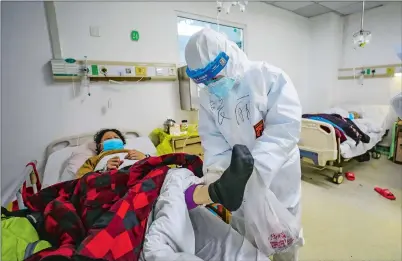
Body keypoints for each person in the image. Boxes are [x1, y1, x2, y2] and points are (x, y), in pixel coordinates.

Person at [184, 28, 303, 260]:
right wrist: (220, 178)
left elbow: (284, 130)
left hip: (276, 173)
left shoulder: (269, 77)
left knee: (283, 234)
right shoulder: (209, 96)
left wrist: (253, 170)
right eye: (204, 80)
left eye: (214, 75)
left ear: (229, 58)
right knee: (243, 234)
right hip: (237, 179)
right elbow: (214, 141)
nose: (212, 84)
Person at [76, 128, 149, 178]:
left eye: (116, 138)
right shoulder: (94, 159)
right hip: (114, 180)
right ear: (100, 146)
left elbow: (156, 163)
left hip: (141, 174)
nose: (113, 139)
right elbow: (82, 180)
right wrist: (104, 171)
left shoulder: (137, 152)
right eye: (108, 139)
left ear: (122, 143)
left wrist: (146, 157)